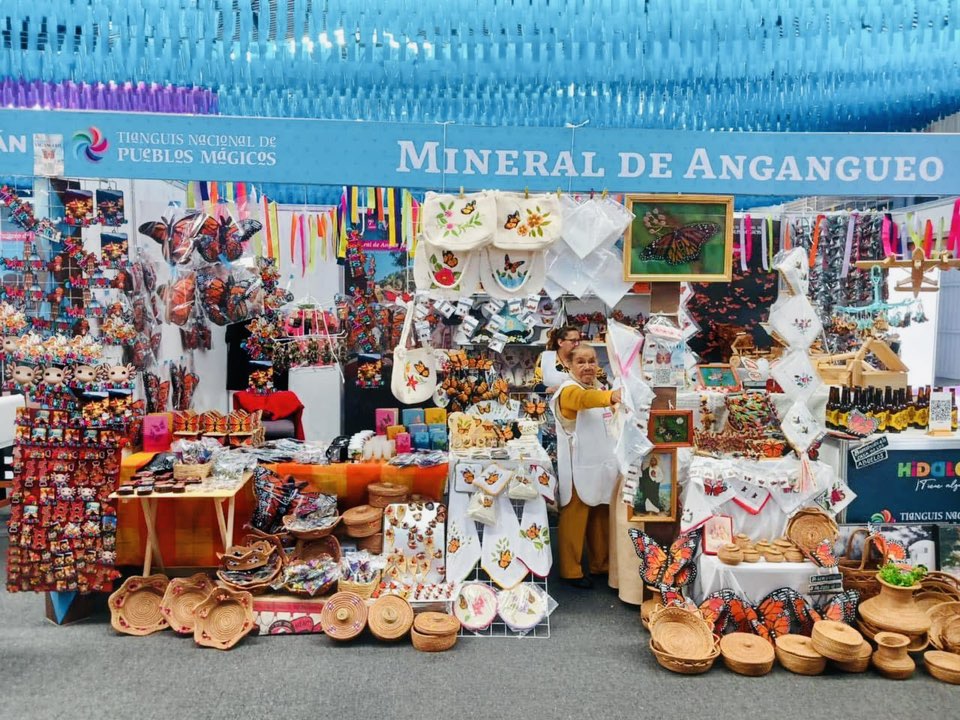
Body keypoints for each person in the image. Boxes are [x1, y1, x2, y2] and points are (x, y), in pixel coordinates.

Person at [550, 345, 621, 588]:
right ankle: (571, 570)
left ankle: (601, 564)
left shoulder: (598, 388)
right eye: (581, 362)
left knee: (601, 512)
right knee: (575, 516)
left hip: (600, 465)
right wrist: (611, 397)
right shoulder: (568, 390)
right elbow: (583, 401)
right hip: (578, 466)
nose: (588, 366)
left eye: (592, 361)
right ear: (569, 365)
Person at [533, 324, 608, 394]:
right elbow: (534, 384)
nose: (577, 344)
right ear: (560, 342)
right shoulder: (546, 357)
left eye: (578, 341)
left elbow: (602, 380)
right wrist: (548, 389)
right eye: (573, 341)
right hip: (551, 405)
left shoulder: (584, 358)